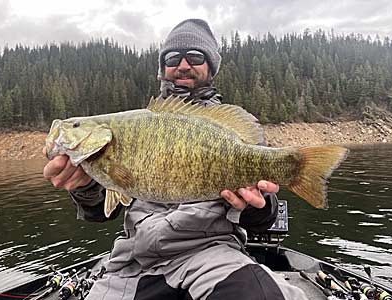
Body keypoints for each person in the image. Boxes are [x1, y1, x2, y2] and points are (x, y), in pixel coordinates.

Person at [43, 19, 308, 300]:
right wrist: (84, 186)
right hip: (135, 262)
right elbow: (100, 213)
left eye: (195, 57)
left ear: (211, 68)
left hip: (213, 256)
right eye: (173, 58)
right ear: (162, 68)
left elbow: (263, 219)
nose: (183, 65)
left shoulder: (229, 130)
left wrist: (258, 206)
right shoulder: (133, 127)